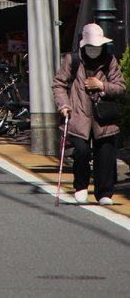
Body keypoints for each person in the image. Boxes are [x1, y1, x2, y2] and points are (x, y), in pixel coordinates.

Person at [52, 22, 126, 205]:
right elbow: (59, 84)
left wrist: (102, 86)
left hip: (104, 116)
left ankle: (104, 193)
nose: (94, 50)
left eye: (97, 46)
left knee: (105, 154)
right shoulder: (73, 60)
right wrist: (64, 105)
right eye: (91, 46)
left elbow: (120, 87)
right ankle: (80, 186)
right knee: (82, 152)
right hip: (78, 113)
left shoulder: (109, 60)